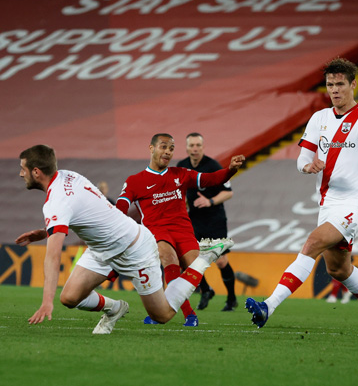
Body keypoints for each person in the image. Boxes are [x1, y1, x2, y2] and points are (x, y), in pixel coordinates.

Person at [245, 57, 358, 336]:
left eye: (340, 84)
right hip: (327, 203)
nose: (335, 90)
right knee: (339, 270)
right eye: (330, 85)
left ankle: (268, 305)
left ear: (353, 84)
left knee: (313, 241)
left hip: (353, 202)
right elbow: (302, 156)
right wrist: (307, 165)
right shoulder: (320, 118)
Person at [16, 144, 233, 334]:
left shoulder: (57, 200)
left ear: (36, 172)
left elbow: (53, 257)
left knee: (162, 315)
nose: (20, 174)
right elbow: (86, 212)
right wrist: (46, 231)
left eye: (22, 169)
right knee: (70, 298)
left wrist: (46, 303)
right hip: (102, 248)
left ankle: (203, 259)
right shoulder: (67, 176)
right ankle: (115, 308)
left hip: (134, 248)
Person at [116, 133, 245, 326]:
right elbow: (121, 205)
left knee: (195, 269)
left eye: (171, 148)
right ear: (151, 148)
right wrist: (120, 228)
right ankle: (189, 314)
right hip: (157, 231)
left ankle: (159, 312)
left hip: (183, 230)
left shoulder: (181, 174)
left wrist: (231, 170)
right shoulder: (136, 181)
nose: (167, 152)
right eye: (163, 147)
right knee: (169, 259)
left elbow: (211, 179)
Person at [177, 132, 238, 312]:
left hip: (214, 219)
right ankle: (206, 289)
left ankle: (231, 298)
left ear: (203, 147)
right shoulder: (182, 166)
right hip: (194, 219)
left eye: (198, 145)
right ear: (187, 147)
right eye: (191, 145)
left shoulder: (213, 166)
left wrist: (209, 201)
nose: (195, 149)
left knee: (221, 261)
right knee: (189, 258)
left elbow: (229, 192)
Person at [326, 228, 358, 304]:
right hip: (339, 241)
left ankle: (334, 295)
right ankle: (345, 292)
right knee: (339, 269)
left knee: (338, 268)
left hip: (345, 243)